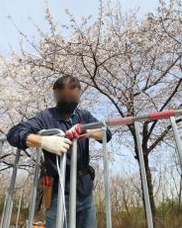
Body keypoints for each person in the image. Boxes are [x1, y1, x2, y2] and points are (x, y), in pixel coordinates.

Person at [7, 75, 112, 228]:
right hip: (59, 191)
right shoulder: (46, 117)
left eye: (73, 96)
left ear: (79, 93)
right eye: (64, 97)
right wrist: (43, 141)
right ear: (55, 94)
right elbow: (14, 134)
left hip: (85, 190)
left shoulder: (84, 115)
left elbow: (106, 133)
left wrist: (87, 131)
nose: (69, 101)